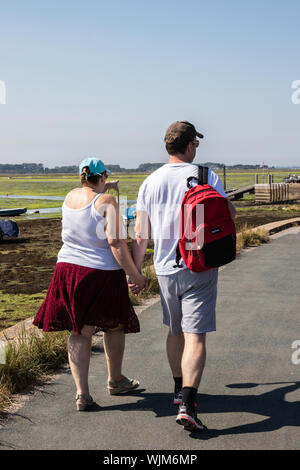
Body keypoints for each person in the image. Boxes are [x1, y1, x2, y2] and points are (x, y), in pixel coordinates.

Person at [131, 121, 236, 431]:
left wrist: (136, 273)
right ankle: (189, 404)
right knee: (196, 336)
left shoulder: (149, 182)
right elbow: (229, 214)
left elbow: (140, 235)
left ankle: (179, 390)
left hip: (164, 269)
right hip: (199, 266)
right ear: (190, 145)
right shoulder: (205, 176)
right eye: (196, 144)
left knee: (175, 331)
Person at [33, 157, 147, 411]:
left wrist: (104, 187)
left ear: (82, 176)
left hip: (67, 270)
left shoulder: (69, 197)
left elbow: (90, 201)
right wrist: (135, 275)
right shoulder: (108, 202)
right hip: (101, 273)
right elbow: (116, 243)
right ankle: (115, 379)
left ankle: (82, 394)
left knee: (79, 331)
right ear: (103, 176)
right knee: (115, 326)